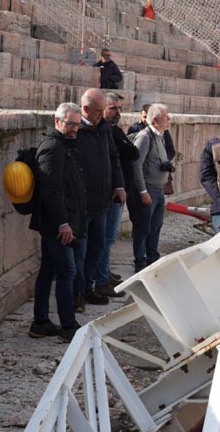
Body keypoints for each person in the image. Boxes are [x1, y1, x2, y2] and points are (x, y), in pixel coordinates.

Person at [29, 103, 85, 341]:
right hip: (56, 224)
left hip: (60, 221)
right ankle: (68, 326)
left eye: (77, 124)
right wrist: (63, 223)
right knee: (66, 271)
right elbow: (51, 191)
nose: (74, 129)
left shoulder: (64, 146)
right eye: (70, 124)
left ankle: (40, 322)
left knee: (48, 271)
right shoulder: (53, 148)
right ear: (57, 122)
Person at [73, 88, 126, 306]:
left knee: (97, 247)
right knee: (81, 251)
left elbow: (113, 159)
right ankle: (77, 293)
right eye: (98, 110)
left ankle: (88, 288)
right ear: (85, 109)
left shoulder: (104, 129)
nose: (101, 115)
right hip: (82, 204)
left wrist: (119, 184)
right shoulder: (75, 131)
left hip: (102, 201)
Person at [129, 104, 174, 271]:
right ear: (155, 120)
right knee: (143, 228)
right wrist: (142, 191)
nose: (169, 119)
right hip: (148, 190)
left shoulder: (160, 136)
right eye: (166, 117)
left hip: (158, 189)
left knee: (156, 226)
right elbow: (136, 165)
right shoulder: (145, 137)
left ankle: (152, 258)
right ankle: (140, 262)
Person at [102, 93, 138, 288]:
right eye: (113, 108)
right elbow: (131, 152)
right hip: (111, 193)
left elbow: (131, 152)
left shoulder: (114, 131)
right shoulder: (110, 132)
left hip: (118, 191)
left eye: (120, 108)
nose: (118, 112)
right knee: (107, 237)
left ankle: (104, 271)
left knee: (109, 237)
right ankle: (102, 275)